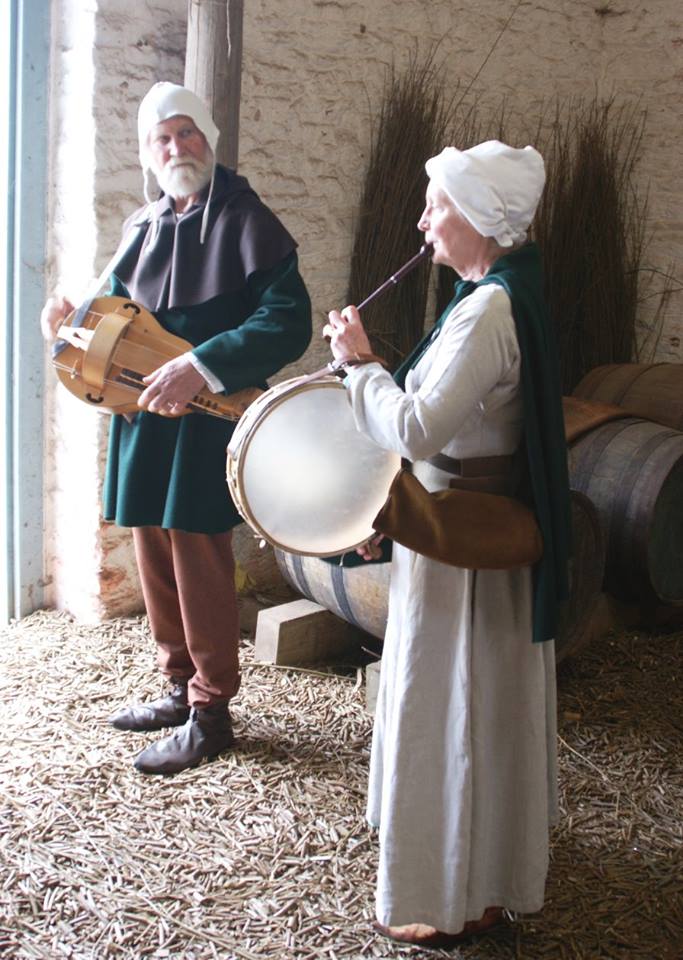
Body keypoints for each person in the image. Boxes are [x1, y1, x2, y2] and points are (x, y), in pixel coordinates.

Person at [324, 140, 571, 947]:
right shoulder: (492, 295)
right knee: (479, 706)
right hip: (461, 531)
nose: (424, 220)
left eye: (438, 206)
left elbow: (421, 424)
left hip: (465, 548)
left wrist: (359, 367)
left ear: (481, 218)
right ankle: (483, 871)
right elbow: (441, 421)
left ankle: (457, 893)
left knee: (456, 703)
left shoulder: (487, 310)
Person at [41, 82, 312, 775]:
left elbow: (285, 322)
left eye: (186, 133)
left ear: (208, 140)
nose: (175, 148)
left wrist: (202, 364)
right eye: (161, 139)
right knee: (152, 552)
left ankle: (211, 709)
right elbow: (107, 319)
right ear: (148, 154)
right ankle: (175, 685)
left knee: (197, 559)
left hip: (206, 417)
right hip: (145, 418)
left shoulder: (248, 220)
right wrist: (66, 325)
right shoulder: (143, 225)